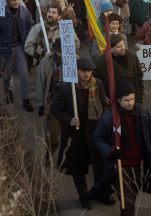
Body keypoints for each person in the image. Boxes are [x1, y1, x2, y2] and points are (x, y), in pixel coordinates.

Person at [91, 79, 151, 215]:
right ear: (119, 100)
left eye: (132, 99)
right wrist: (110, 151)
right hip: (121, 167)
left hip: (141, 164)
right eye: (126, 100)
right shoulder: (109, 118)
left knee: (145, 192)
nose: (130, 103)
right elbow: (97, 139)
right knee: (128, 202)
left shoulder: (143, 113)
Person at [51, 57, 109, 209]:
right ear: (76, 71)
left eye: (89, 71)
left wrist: (102, 119)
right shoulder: (66, 89)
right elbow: (55, 109)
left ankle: (102, 193)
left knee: (100, 165)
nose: (87, 74)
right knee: (79, 168)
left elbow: (104, 104)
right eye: (83, 71)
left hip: (95, 133)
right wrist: (69, 120)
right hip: (76, 135)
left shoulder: (98, 84)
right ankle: (84, 196)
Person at [0, 0, 34, 110]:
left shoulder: (24, 12)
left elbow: (30, 26)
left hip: (20, 46)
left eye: (17, 0)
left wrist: (29, 41)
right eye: (13, 0)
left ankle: (26, 99)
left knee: (23, 73)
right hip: (6, 46)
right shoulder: (1, 13)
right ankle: (8, 93)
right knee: (6, 73)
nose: (16, 2)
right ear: (8, 1)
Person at [36, 38, 65, 164]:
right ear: (54, 50)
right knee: (51, 132)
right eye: (59, 51)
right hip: (53, 100)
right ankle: (49, 152)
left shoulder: (74, 60)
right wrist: (41, 104)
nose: (61, 53)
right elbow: (40, 83)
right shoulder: (46, 62)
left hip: (69, 100)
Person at [94, 33, 144, 104]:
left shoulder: (131, 56)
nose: (123, 48)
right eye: (119, 46)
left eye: (123, 44)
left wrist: (140, 91)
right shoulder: (101, 62)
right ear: (111, 49)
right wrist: (103, 96)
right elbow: (96, 81)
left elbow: (139, 75)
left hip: (133, 98)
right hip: (115, 100)